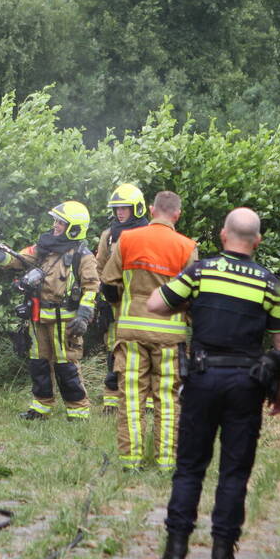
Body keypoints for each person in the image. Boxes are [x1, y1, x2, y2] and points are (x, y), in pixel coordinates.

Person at [148, 207, 280, 559]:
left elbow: (156, 305)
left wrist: (190, 304)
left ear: (223, 235)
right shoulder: (271, 284)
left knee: (190, 468)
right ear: (257, 242)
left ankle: (175, 554)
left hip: (202, 376)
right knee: (234, 472)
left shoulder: (201, 272)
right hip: (246, 383)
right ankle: (222, 558)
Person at [101, 191, 198, 471]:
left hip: (131, 331)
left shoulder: (127, 240)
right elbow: (193, 296)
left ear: (152, 210)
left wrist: (123, 307)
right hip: (170, 336)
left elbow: (108, 283)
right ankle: (167, 462)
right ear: (177, 215)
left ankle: (130, 462)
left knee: (131, 396)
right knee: (167, 400)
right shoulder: (187, 247)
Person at [0, 201, 98, 421]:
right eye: (55, 221)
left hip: (65, 321)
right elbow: (19, 259)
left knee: (66, 367)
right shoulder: (45, 247)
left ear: (74, 228)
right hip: (38, 317)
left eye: (60, 223)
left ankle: (78, 411)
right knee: (39, 363)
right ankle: (40, 407)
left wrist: (84, 315)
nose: (55, 226)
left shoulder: (83, 256)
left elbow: (92, 288)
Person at [94, 184, 150, 415]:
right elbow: (99, 268)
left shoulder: (148, 234)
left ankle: (145, 401)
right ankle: (112, 400)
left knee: (144, 352)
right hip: (116, 305)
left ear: (137, 208)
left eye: (125, 208)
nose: (120, 213)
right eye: (117, 208)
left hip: (143, 305)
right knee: (114, 352)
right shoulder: (109, 237)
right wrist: (103, 299)